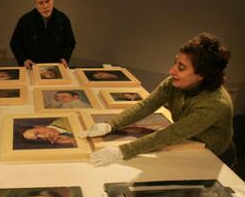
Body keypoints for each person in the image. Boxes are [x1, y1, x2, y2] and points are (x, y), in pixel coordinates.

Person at [80, 33, 235, 167]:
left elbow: (172, 133)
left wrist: (123, 151)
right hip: (187, 142)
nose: (172, 70)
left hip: (212, 155)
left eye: (181, 67)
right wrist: (110, 124)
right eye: (175, 62)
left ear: (202, 75)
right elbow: (145, 106)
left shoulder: (215, 104)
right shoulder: (173, 84)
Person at [10, 0, 76, 69]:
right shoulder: (25, 21)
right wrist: (24, 60)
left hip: (56, 68)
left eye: (48, 1)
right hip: (32, 68)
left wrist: (64, 58)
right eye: (40, 3)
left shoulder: (63, 19)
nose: (45, 6)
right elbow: (15, 44)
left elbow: (70, 43)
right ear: (35, 5)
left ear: (53, 0)